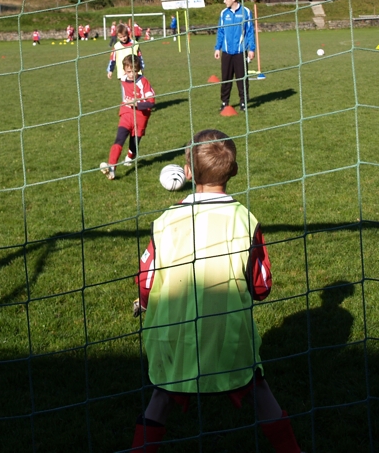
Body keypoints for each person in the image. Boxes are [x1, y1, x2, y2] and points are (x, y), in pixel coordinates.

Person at [129, 129, 302, 453]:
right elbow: (262, 286)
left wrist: (144, 301)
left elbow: (146, 278)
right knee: (259, 390)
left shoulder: (165, 222)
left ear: (188, 172)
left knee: (161, 397)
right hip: (230, 339)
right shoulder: (245, 220)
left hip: (173, 337)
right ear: (233, 171)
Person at [100, 55, 154, 179]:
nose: (131, 74)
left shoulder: (143, 82)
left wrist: (136, 103)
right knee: (120, 138)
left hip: (141, 117)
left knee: (133, 145)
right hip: (126, 113)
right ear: (124, 70)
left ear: (138, 70)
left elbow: (151, 102)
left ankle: (130, 156)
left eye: (134, 71)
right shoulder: (123, 78)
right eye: (129, 71)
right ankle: (112, 167)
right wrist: (110, 70)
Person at [214, 0, 255, 112]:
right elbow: (220, 32)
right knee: (226, 78)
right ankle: (224, 102)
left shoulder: (246, 12)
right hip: (226, 52)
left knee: (242, 78)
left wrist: (251, 49)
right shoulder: (223, 13)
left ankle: (243, 102)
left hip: (240, 52)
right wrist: (217, 48)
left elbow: (250, 32)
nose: (224, 1)